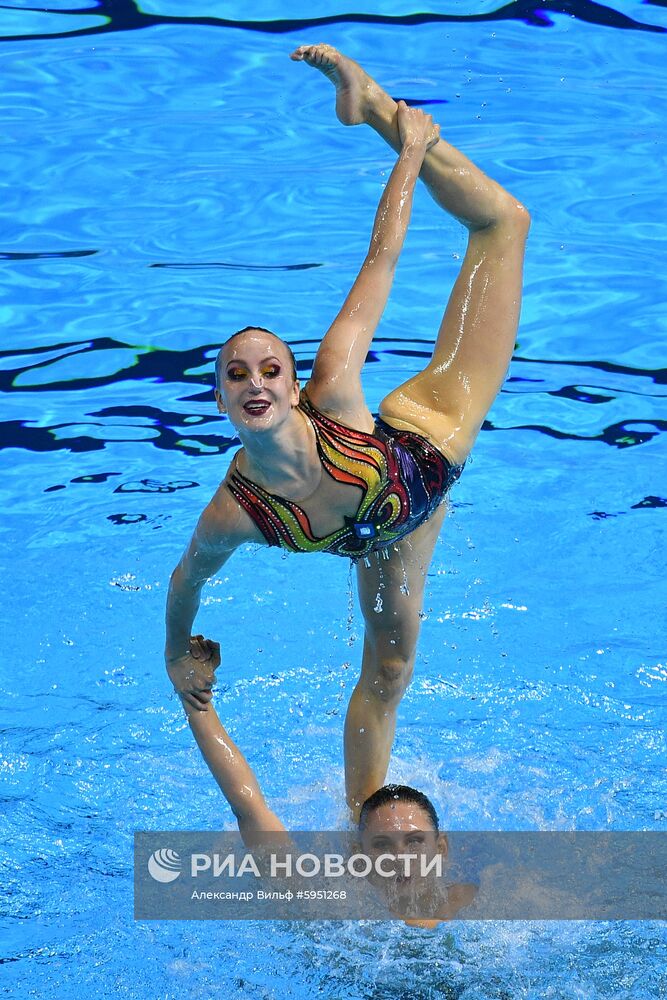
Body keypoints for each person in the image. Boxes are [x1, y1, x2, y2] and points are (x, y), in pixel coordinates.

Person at [165, 44, 530, 819]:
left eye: (269, 370)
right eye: (236, 376)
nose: (255, 382)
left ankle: (371, 105)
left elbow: (382, 258)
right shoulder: (235, 511)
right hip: (391, 535)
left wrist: (410, 151)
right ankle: (370, 824)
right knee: (389, 672)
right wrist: (177, 652)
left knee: (502, 223)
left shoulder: (330, 382)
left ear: (294, 387)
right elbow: (185, 581)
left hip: (425, 440)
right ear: (219, 403)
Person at [181, 636, 476, 927]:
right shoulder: (332, 909)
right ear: (360, 857)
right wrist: (194, 696)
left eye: (414, 842)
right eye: (382, 845)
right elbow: (249, 807)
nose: (400, 858)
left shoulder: (475, 906)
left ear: (441, 849)